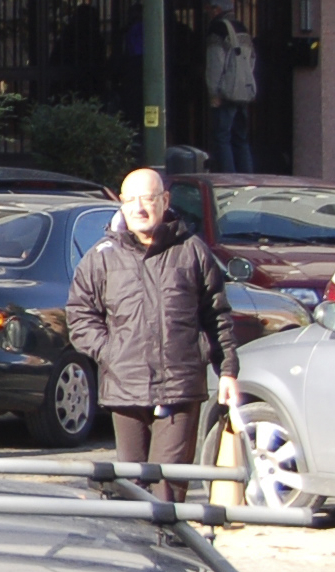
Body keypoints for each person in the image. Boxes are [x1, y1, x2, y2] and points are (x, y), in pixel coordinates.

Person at [65, 167, 240, 495]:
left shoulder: (192, 252)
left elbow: (216, 315)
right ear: (121, 203)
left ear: (165, 200)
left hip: (180, 387)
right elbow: (79, 317)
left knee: (168, 488)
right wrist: (111, 352)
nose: (139, 208)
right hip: (125, 387)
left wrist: (227, 371)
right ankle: (136, 546)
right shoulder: (101, 258)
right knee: (131, 487)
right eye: (130, 200)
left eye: (148, 199)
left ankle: (169, 545)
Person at [202, 0, 258, 174]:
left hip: (225, 92)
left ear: (216, 9)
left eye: (209, 9)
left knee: (221, 137)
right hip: (244, 91)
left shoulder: (217, 29)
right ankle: (247, 178)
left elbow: (215, 63)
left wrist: (213, 92)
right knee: (241, 139)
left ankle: (229, 179)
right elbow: (251, 59)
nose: (207, 13)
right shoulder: (242, 27)